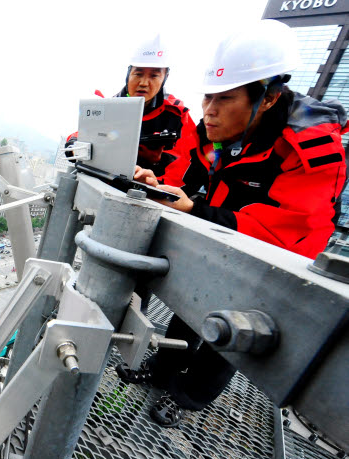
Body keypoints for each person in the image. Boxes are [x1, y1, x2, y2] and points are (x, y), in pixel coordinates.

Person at [123, 20, 347, 428]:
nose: (209, 110)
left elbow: (290, 231)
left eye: (224, 99)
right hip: (220, 229)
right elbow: (186, 168)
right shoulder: (213, 129)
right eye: (208, 97)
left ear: (267, 98)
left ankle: (188, 396)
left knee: (230, 334)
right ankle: (161, 372)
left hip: (276, 255)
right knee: (190, 306)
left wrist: (198, 211)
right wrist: (162, 185)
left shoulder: (312, 147)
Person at [66, 34, 197, 186]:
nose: (144, 83)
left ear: (165, 77)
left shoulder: (176, 116)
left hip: (151, 194)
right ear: (129, 73)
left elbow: (186, 165)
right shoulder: (111, 107)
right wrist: (75, 143)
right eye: (138, 73)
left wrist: (155, 177)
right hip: (104, 183)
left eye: (154, 76)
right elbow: (83, 135)